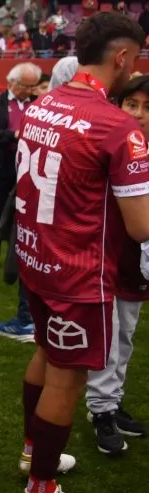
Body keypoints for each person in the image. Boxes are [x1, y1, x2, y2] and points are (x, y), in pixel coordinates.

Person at [15, 12, 148, 493]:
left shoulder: (45, 102)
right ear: (121, 57)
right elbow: (140, 226)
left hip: (37, 255)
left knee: (49, 354)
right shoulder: (117, 124)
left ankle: (33, 454)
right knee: (66, 378)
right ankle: (41, 489)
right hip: (76, 270)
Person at [84, 73, 149, 455]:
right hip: (106, 258)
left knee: (125, 335)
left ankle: (112, 400)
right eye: (132, 105)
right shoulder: (110, 145)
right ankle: (102, 410)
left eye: (147, 108)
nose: (139, 115)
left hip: (137, 265)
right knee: (108, 337)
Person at [0, 63, 41, 270]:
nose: (29, 91)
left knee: (27, 213)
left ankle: (23, 254)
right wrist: (12, 135)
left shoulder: (38, 103)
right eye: (25, 86)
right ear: (12, 82)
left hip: (29, 167)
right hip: (0, 166)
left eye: (33, 87)